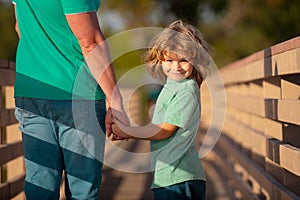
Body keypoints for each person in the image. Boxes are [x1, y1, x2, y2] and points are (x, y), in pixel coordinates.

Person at [12, 0, 127, 199]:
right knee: (82, 190)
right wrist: (115, 101)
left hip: (31, 91)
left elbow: (19, 26)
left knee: (40, 187)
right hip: (77, 95)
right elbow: (90, 42)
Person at [110, 19, 211, 200]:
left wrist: (127, 130)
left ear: (194, 60)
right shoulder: (172, 87)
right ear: (159, 59)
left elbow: (164, 130)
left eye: (183, 60)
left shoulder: (187, 89)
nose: (176, 66)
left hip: (179, 178)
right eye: (169, 60)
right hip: (171, 176)